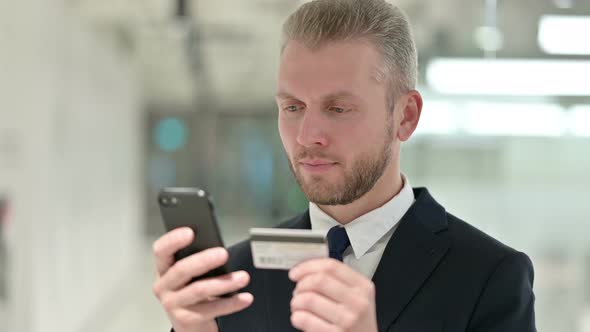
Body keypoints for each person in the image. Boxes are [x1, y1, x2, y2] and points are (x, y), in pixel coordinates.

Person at [152, 0, 537, 331]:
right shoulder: (235, 278)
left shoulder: (489, 277)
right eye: (293, 108)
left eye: (338, 109)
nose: (308, 135)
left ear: (405, 117)